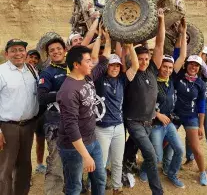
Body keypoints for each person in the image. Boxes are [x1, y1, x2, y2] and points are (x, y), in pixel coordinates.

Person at [139, 17, 187, 188]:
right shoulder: (152, 80)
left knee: (179, 150)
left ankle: (172, 174)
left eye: (169, 67)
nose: (166, 70)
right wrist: (158, 114)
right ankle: (144, 169)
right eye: (164, 67)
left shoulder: (171, 78)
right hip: (156, 125)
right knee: (157, 156)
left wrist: (182, 32)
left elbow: (182, 55)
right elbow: (145, 104)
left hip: (169, 124)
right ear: (159, 67)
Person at [57, 45, 110, 195]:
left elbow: (103, 62)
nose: (91, 64)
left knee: (100, 179)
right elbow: (70, 127)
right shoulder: (68, 91)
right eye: (87, 61)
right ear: (76, 64)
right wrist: (86, 156)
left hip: (92, 140)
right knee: (74, 187)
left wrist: (104, 37)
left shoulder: (87, 77)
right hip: (73, 147)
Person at [123, 9, 165, 195]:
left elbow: (160, 45)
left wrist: (161, 19)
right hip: (134, 122)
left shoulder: (152, 71)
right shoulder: (131, 74)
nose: (144, 62)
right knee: (150, 155)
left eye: (146, 59)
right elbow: (131, 59)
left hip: (149, 122)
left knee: (130, 147)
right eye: (140, 59)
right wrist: (131, 46)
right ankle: (158, 192)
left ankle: (125, 167)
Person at [94, 44, 139, 194]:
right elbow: (98, 62)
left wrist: (131, 48)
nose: (114, 68)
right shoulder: (99, 80)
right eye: (112, 66)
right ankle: (97, 189)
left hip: (119, 127)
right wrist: (106, 40)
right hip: (102, 128)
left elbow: (135, 66)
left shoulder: (122, 80)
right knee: (100, 163)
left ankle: (116, 187)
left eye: (117, 66)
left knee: (117, 161)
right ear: (107, 67)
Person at [0, 39, 39, 195]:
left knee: (24, 165)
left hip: (28, 126)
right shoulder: (1, 72)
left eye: (21, 49)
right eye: (14, 50)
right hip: (7, 127)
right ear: (6, 54)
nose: (18, 53)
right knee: (5, 168)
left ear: (26, 52)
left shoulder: (31, 69)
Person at [170, 54, 207, 186]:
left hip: (191, 117)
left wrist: (201, 126)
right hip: (175, 115)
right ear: (186, 65)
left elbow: (202, 107)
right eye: (191, 63)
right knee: (166, 142)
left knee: (196, 147)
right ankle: (166, 166)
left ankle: (202, 172)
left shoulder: (201, 84)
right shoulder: (177, 76)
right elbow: (177, 56)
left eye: (197, 65)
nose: (193, 66)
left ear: (199, 68)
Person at [38, 37, 68, 195]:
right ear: (48, 54)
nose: (56, 52)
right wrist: (63, 93)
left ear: (65, 50)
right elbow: (41, 97)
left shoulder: (73, 67)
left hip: (74, 123)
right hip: (55, 124)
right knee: (56, 163)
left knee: (71, 161)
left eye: (58, 48)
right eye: (52, 50)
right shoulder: (47, 72)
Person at [185, 46, 207, 178]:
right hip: (193, 104)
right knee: (190, 134)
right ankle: (189, 159)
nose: (199, 56)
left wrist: (199, 57)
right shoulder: (193, 68)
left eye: (203, 54)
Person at [26, 49, 46, 174]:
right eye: (31, 57)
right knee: (26, 144)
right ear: (26, 57)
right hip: (27, 113)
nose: (33, 60)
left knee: (40, 139)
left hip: (40, 112)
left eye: (36, 58)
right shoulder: (20, 73)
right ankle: (25, 172)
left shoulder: (40, 72)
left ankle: (39, 164)